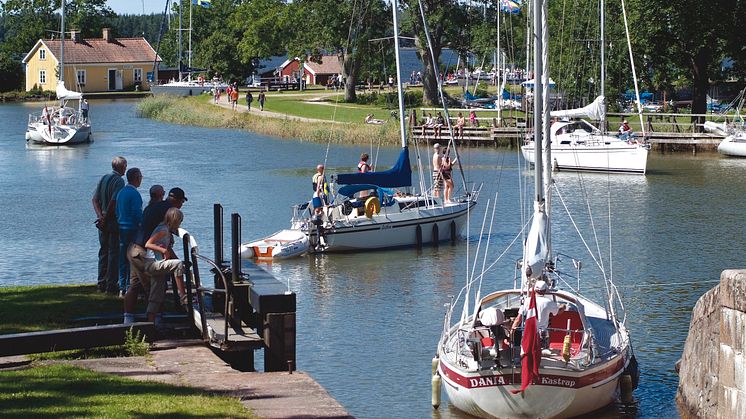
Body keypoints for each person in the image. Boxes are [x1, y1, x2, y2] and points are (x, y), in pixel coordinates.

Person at [123, 187, 188, 324]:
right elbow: (163, 244)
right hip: (143, 252)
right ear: (176, 201)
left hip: (133, 248)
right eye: (182, 202)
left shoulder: (154, 206)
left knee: (134, 285)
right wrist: (174, 259)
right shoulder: (168, 213)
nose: (182, 205)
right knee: (155, 286)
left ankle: (127, 318)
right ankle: (154, 322)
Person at [92, 156, 127, 294]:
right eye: (125, 166)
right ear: (122, 167)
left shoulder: (103, 178)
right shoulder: (119, 181)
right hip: (112, 222)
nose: (126, 168)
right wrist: (105, 218)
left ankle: (101, 282)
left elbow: (94, 199)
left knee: (103, 252)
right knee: (113, 253)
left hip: (102, 222)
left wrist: (99, 216)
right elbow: (114, 202)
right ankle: (111, 284)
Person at [510, 280, 568, 349]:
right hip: (542, 333)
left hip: (529, 332)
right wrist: (563, 306)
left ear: (534, 290)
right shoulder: (548, 302)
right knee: (540, 352)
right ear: (544, 291)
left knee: (527, 350)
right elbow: (558, 312)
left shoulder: (527, 301)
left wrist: (512, 330)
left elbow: (518, 318)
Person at [115, 167, 143, 297]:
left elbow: (117, 210)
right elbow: (137, 213)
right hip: (132, 228)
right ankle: (131, 286)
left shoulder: (121, 192)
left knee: (122, 258)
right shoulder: (135, 194)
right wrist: (142, 225)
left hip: (121, 227)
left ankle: (122, 287)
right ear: (136, 178)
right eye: (141, 177)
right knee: (133, 259)